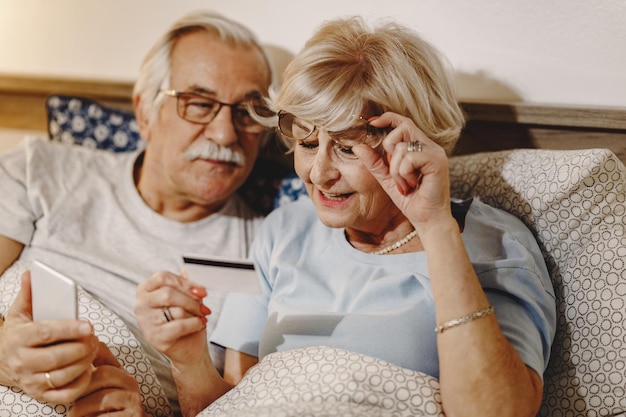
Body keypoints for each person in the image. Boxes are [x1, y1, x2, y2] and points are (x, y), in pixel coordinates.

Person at [135, 16, 557, 417]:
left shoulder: (494, 244)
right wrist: (188, 360)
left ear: (412, 144)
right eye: (307, 142)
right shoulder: (283, 231)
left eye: (348, 149)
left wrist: (435, 227)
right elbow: (233, 405)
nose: (318, 174)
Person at [0, 9, 275, 416]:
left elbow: (235, 410)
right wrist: (7, 359)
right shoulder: (40, 172)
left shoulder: (270, 252)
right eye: (199, 104)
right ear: (145, 111)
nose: (225, 134)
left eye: (248, 111)